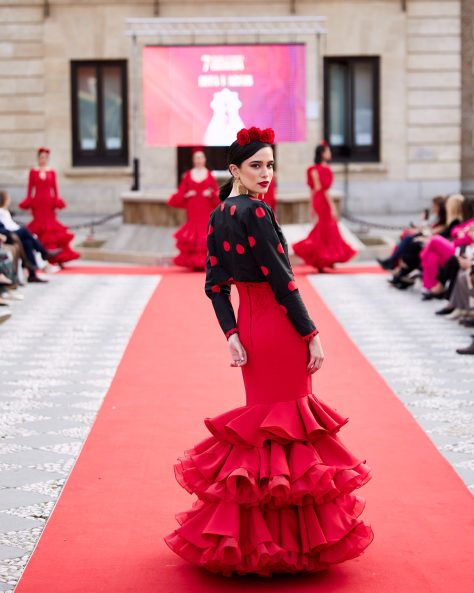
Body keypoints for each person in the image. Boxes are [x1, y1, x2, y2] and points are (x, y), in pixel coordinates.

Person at [164, 126, 373, 576]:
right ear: (235, 168)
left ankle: (256, 538)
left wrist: (233, 333)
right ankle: (290, 541)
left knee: (264, 430)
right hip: (278, 329)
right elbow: (283, 280)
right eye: (256, 165)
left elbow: (214, 286)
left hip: (253, 330)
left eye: (271, 165)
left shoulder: (219, 213)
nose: (266, 173)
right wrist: (311, 332)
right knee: (291, 429)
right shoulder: (256, 213)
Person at [292, 141, 356, 271]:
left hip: (317, 200)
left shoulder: (312, 170)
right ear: (322, 154)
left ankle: (326, 259)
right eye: (328, 151)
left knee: (324, 228)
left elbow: (313, 190)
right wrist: (332, 206)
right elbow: (325, 190)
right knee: (327, 228)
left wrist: (311, 206)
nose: (330, 153)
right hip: (323, 200)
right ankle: (324, 258)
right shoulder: (325, 169)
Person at [18, 147, 79, 265]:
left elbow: (55, 189)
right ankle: (39, 255)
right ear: (38, 158)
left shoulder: (51, 172)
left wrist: (56, 201)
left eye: (45, 157)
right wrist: (29, 201)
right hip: (37, 203)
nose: (43, 160)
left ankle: (56, 257)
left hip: (48, 202)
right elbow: (30, 189)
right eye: (41, 157)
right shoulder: (33, 171)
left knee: (51, 229)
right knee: (38, 227)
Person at [168, 148, 220, 270]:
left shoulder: (210, 175)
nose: (199, 160)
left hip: (205, 207)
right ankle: (194, 262)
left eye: (201, 158)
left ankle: (205, 261)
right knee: (193, 231)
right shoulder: (188, 175)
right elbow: (180, 194)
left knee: (205, 230)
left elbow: (217, 196)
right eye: (197, 158)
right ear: (193, 160)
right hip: (193, 207)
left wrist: (211, 194)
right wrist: (187, 195)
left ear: (205, 159)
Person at [0, 191, 60, 283]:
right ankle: (44, 252)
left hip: (10, 233)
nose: (9, 200)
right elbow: (3, 228)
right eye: (8, 198)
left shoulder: (5, 211)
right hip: (7, 235)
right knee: (25, 231)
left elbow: (9, 225)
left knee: (28, 243)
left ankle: (32, 275)